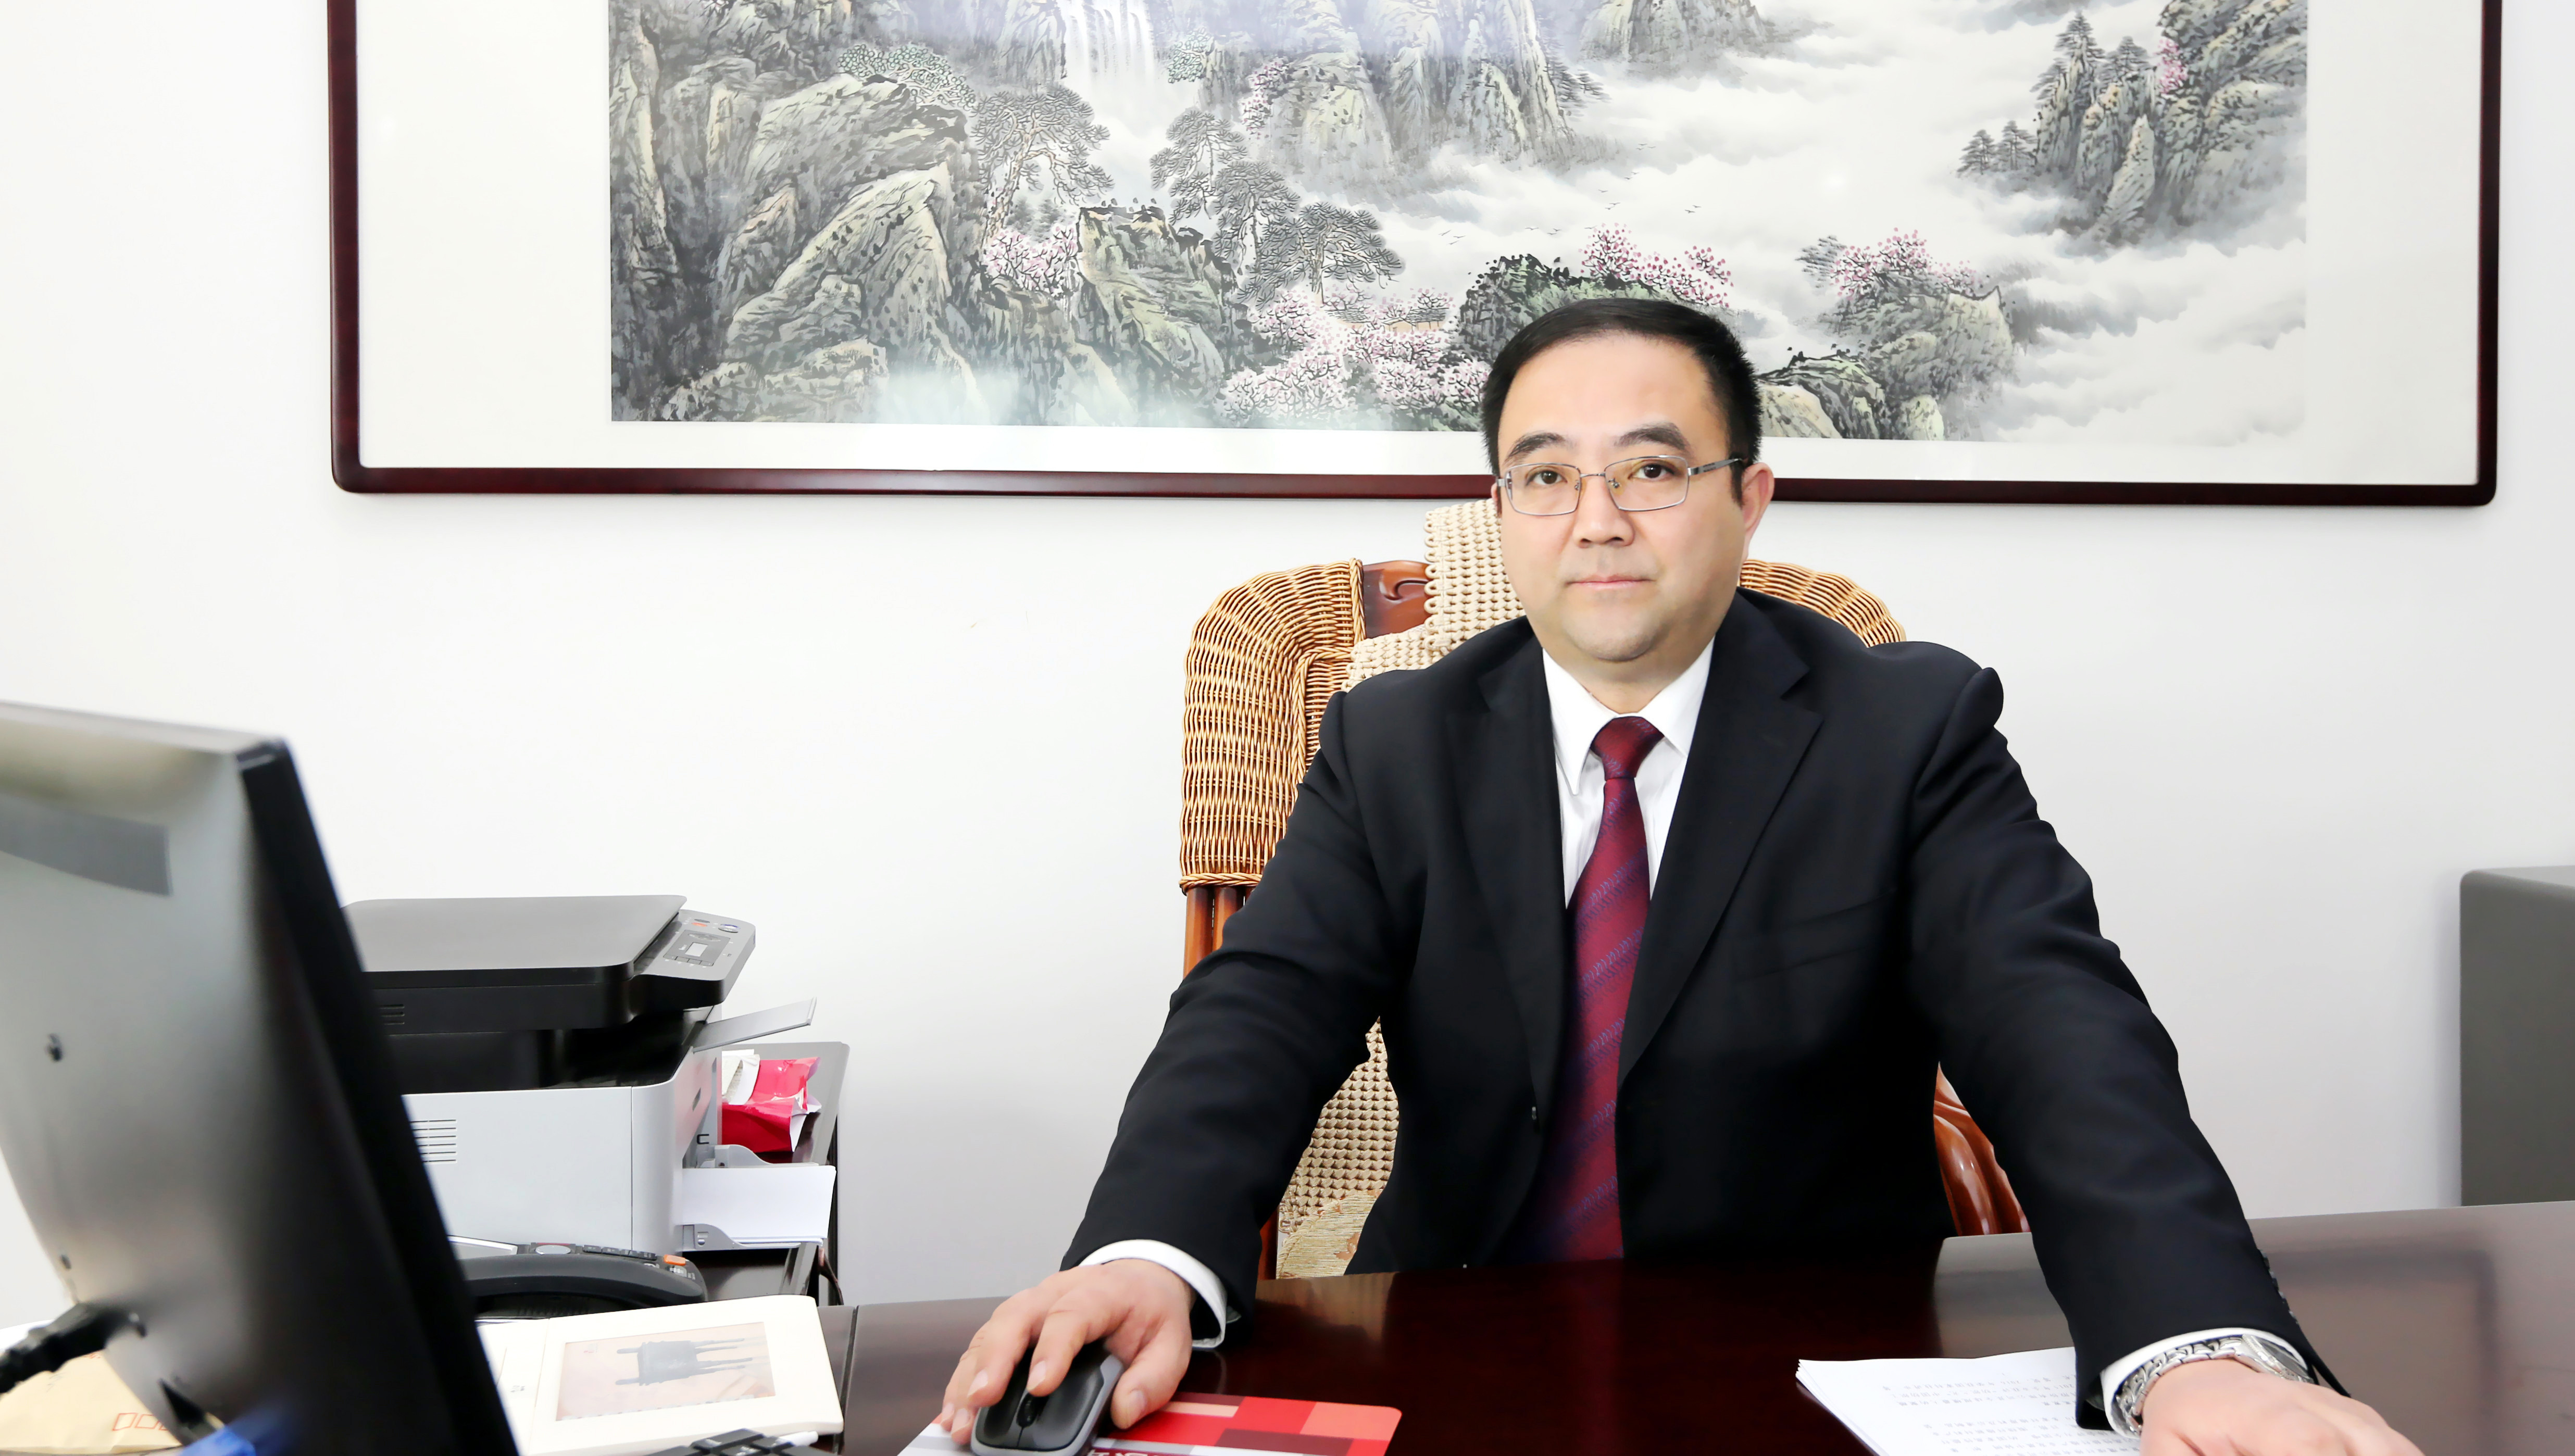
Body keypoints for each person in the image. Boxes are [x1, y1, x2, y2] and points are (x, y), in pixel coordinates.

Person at [941, 299, 2420, 1456]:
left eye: (1652, 469)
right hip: (1461, 1351)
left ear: (1749, 495)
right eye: (1547, 475)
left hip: (1814, 1365)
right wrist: (1144, 1253)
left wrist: (2197, 1346)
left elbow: (2064, 1035)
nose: (1597, 519)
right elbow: (1256, 1015)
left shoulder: (1906, 728)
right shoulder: (1395, 742)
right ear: (1504, 509)